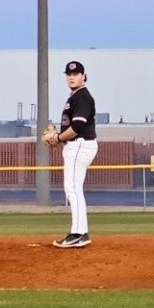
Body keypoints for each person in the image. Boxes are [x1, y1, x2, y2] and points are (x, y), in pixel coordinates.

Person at [43, 60, 97, 248]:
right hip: (78, 144)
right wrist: (61, 137)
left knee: (73, 189)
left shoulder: (81, 96)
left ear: (84, 75)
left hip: (80, 144)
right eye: (69, 74)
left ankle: (78, 233)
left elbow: (78, 126)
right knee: (74, 189)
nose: (72, 77)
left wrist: (58, 138)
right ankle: (80, 232)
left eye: (76, 74)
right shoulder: (76, 96)